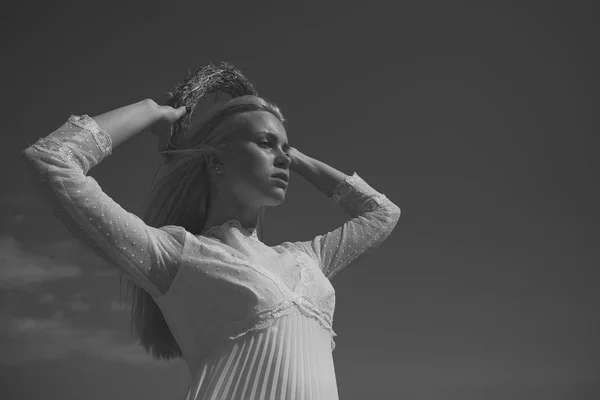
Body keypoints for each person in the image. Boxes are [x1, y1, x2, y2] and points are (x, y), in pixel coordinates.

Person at [21, 63, 401, 400]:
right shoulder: (178, 255)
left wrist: (296, 156)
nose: (282, 157)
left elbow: (382, 213)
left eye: (284, 148)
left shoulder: (306, 259)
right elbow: (53, 159)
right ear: (217, 161)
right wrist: (150, 112)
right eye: (266, 144)